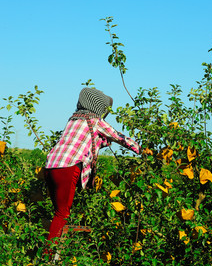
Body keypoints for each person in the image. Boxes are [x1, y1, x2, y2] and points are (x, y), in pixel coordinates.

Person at [44, 87, 141, 245]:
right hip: (67, 168)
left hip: (50, 166)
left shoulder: (73, 120)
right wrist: (140, 150)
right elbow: (119, 137)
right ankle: (48, 257)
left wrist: (103, 141)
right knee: (62, 214)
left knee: (58, 213)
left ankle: (55, 249)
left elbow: (86, 143)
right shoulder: (96, 121)